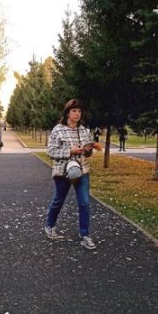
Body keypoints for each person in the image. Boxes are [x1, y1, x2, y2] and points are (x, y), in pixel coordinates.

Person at [45, 98, 102, 250]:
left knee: (84, 202)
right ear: (67, 113)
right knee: (59, 200)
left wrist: (89, 149)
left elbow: (86, 153)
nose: (77, 114)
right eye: (74, 111)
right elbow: (50, 151)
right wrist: (70, 151)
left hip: (82, 170)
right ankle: (50, 226)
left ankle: (85, 236)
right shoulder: (58, 130)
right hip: (63, 172)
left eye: (79, 111)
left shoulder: (83, 130)